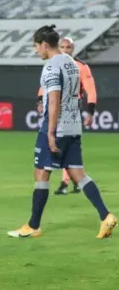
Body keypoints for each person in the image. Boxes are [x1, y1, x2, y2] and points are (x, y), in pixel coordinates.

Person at [8, 25, 116, 240]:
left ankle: (33, 225)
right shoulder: (72, 64)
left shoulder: (51, 67)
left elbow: (54, 99)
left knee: (41, 173)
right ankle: (106, 216)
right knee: (78, 174)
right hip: (74, 126)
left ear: (45, 45)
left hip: (56, 126)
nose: (36, 51)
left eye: (36, 46)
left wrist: (50, 132)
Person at [36, 36, 97, 195]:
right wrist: (40, 100)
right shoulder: (57, 64)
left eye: (68, 47)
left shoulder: (79, 66)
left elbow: (90, 89)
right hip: (65, 116)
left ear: (73, 48)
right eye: (62, 46)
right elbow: (45, 87)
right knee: (71, 158)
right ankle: (70, 182)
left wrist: (90, 110)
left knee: (46, 166)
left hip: (67, 113)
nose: (65, 50)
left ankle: (35, 218)